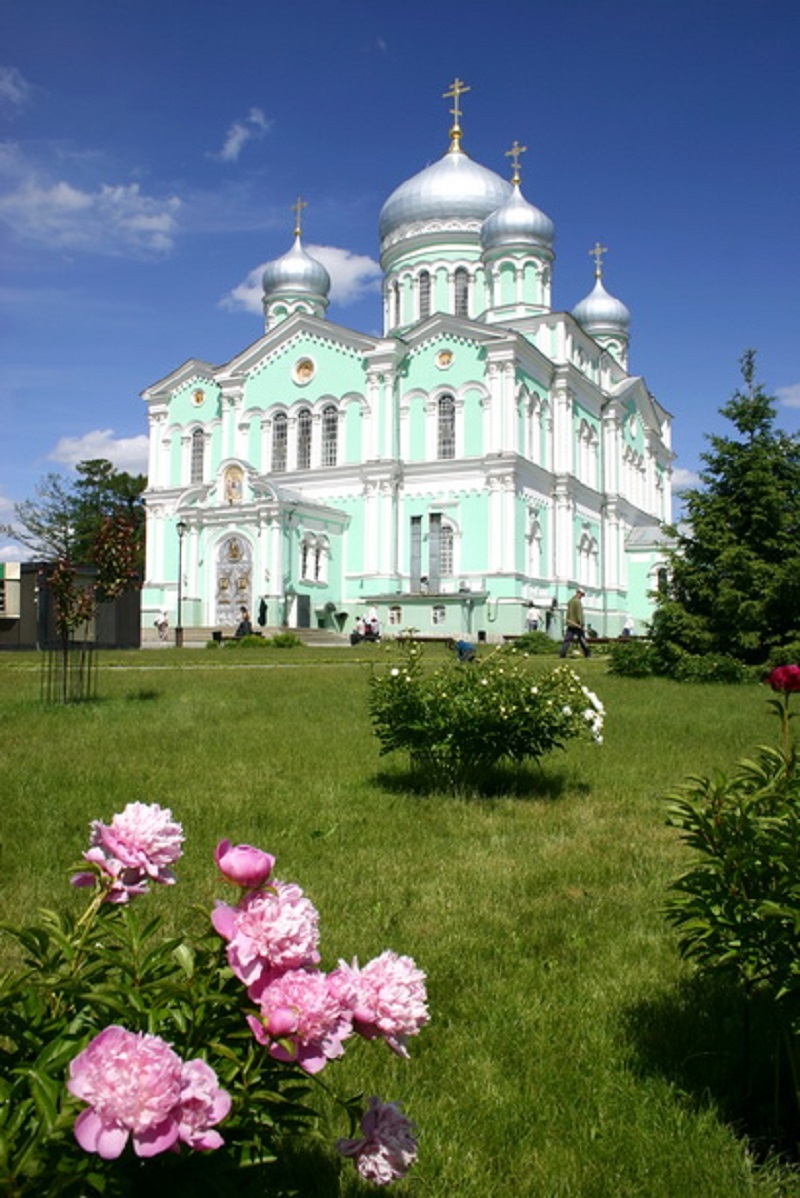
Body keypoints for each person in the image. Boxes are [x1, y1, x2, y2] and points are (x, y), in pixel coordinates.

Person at [559, 589, 591, 658]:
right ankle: (587, 653)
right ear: (578, 593)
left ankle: (562, 654)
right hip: (577, 624)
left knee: (567, 640)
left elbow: (569, 613)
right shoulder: (577, 602)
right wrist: (581, 623)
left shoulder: (570, 601)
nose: (581, 597)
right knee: (582, 639)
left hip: (571, 623)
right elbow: (579, 614)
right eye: (581, 595)